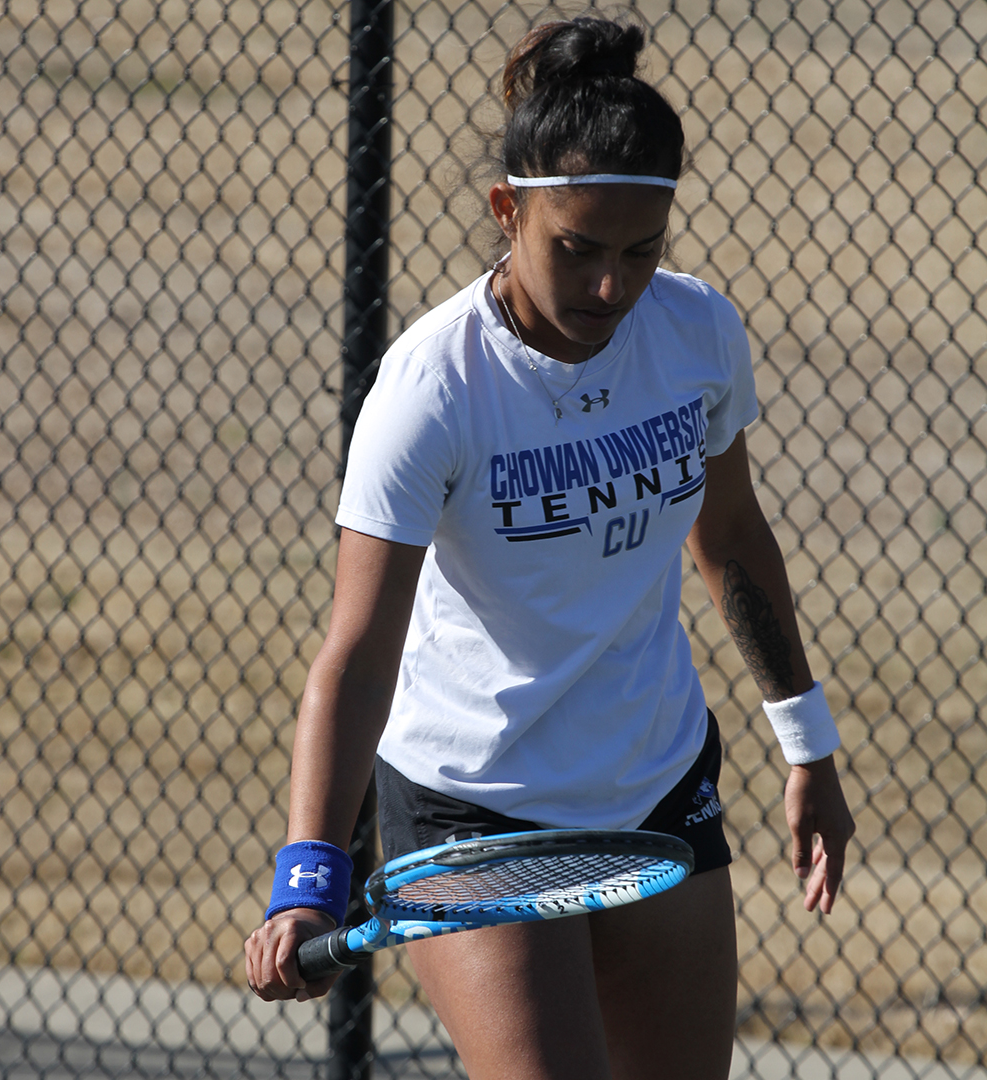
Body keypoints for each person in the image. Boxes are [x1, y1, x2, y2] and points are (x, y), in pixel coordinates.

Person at [245, 15, 855, 1080]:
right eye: (577, 249)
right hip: (471, 809)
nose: (611, 287)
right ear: (507, 211)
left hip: (658, 785)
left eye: (641, 251)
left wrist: (808, 746)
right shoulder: (432, 389)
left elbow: (730, 536)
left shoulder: (697, 335)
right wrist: (308, 874)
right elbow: (358, 653)